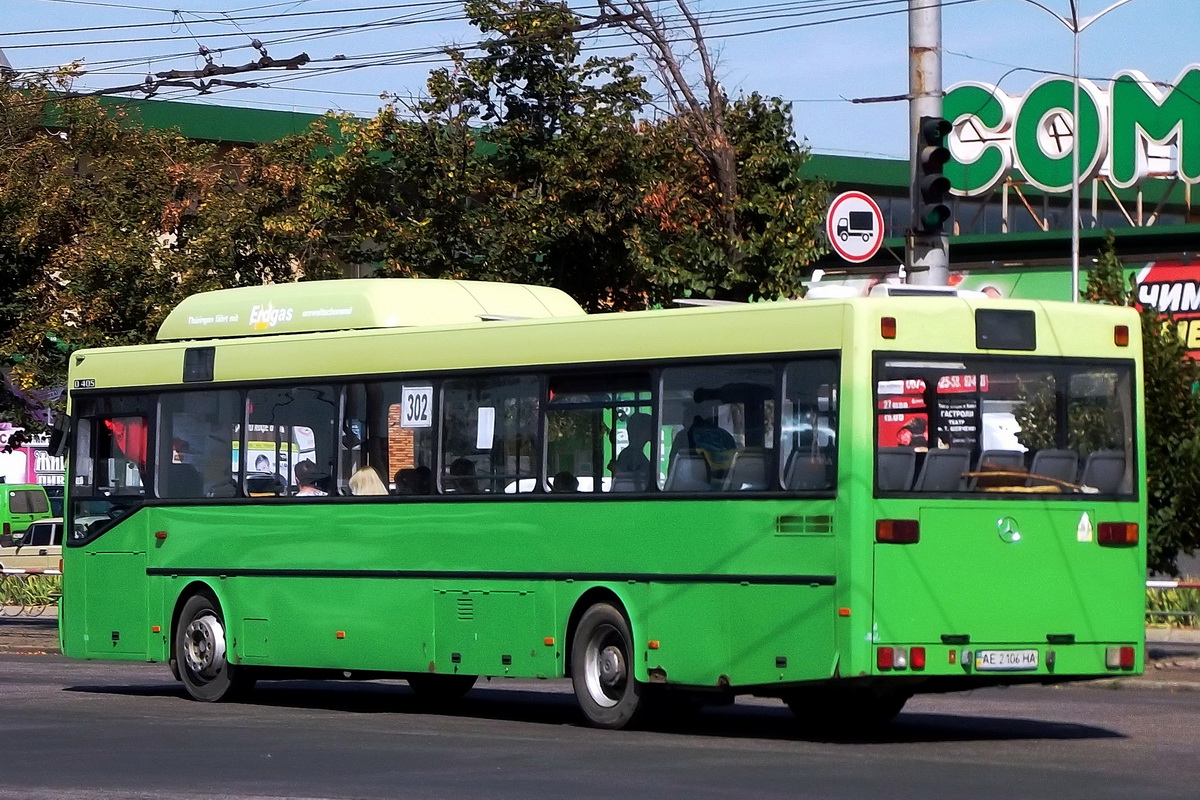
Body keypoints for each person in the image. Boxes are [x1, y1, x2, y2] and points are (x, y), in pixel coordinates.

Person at [610, 412, 653, 490]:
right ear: (641, 431)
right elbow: (633, 486)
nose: (652, 432)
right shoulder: (632, 456)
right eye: (650, 428)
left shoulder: (629, 454)